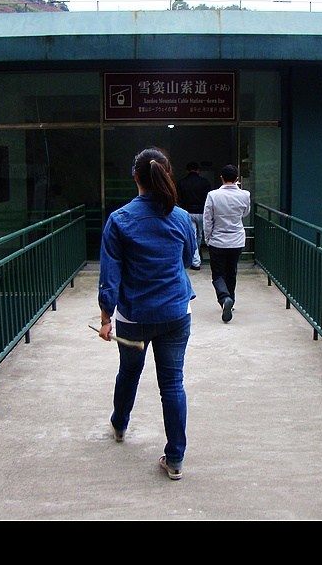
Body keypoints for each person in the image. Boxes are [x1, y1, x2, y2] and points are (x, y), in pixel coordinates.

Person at [97, 146, 197, 481]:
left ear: (135, 177)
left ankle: (119, 425)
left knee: (129, 372)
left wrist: (105, 318)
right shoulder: (181, 218)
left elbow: (110, 275)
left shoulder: (119, 219)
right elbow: (187, 260)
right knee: (172, 383)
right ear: (166, 174)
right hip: (175, 313)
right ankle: (175, 459)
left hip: (134, 317)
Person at [203, 164, 251, 323]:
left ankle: (224, 298)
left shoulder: (213, 195)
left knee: (218, 274)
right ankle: (231, 299)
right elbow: (245, 213)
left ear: (221, 178)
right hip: (237, 239)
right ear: (237, 178)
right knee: (232, 271)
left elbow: (207, 219)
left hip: (218, 240)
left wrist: (208, 238)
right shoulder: (245, 195)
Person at [176, 161, 212, 270]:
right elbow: (208, 199)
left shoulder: (181, 183)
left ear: (187, 170)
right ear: (198, 170)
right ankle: (196, 258)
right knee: (199, 236)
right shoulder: (205, 182)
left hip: (188, 212)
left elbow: (178, 199)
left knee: (193, 235)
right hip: (202, 212)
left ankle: (195, 259)